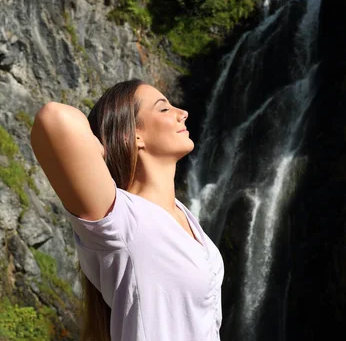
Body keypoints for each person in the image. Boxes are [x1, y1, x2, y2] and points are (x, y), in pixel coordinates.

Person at [30, 79, 224, 341]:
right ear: (133, 134)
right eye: (164, 109)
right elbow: (55, 118)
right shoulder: (121, 219)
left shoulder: (183, 215)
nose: (183, 113)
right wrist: (103, 148)